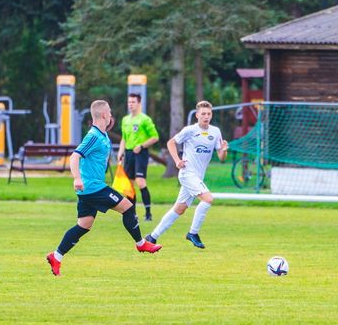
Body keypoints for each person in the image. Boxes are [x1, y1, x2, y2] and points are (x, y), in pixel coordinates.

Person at [46, 100, 162, 277]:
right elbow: (75, 156)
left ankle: (56, 256)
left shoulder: (103, 135)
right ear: (103, 115)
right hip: (93, 188)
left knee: (84, 225)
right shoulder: (93, 136)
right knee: (128, 207)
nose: (111, 115)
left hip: (89, 189)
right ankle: (141, 244)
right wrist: (77, 178)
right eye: (109, 112)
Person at [145, 100, 228, 249]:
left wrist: (223, 150)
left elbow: (221, 157)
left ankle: (152, 237)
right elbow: (171, 143)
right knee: (208, 199)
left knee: (179, 209)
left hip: (198, 177)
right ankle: (193, 233)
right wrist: (177, 160)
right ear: (197, 115)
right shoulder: (190, 130)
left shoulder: (215, 132)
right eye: (203, 114)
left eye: (209, 114)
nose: (206, 116)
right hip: (187, 174)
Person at [117, 93, 159, 221]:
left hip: (140, 153)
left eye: (133, 102)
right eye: (129, 102)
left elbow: (155, 137)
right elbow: (124, 138)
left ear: (139, 103)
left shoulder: (145, 119)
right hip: (129, 154)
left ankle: (148, 214)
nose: (130, 104)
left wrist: (141, 146)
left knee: (140, 182)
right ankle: (132, 214)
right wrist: (120, 152)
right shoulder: (125, 120)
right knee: (129, 185)